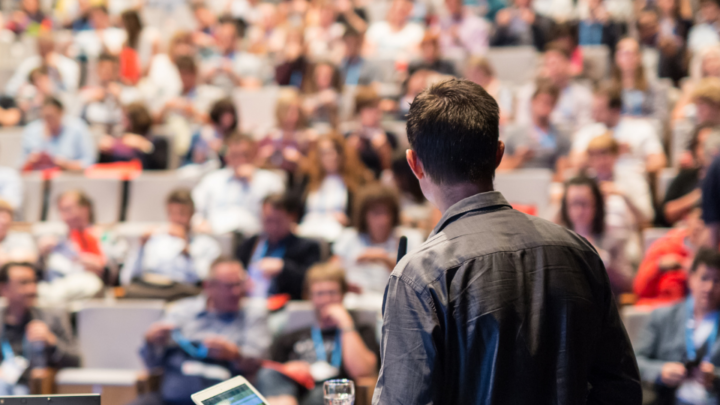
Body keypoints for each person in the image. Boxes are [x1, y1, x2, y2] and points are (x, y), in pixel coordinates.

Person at [372, 79, 640, 404]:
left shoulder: (418, 276)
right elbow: (621, 389)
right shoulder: (579, 252)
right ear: (499, 153)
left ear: (414, 164)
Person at [131, 258, 270, 405]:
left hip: (224, 395)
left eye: (239, 284)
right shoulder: (182, 310)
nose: (236, 292)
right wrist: (151, 342)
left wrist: (235, 354)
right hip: (174, 394)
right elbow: (152, 363)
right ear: (208, 286)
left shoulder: (253, 316)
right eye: (228, 286)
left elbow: (260, 363)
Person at [256, 262, 379, 405]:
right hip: (296, 392)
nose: (326, 300)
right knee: (268, 375)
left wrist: (346, 323)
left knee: (328, 390)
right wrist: (289, 368)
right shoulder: (292, 336)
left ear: (343, 294)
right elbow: (271, 368)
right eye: (320, 293)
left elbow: (363, 372)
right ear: (309, 296)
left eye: (332, 293)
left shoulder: (360, 331)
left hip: (335, 393)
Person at [635, 248, 720, 405]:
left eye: (717, 281)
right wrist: (661, 371)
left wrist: (714, 376)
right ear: (691, 279)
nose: (709, 287)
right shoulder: (662, 317)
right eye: (704, 278)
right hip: (670, 398)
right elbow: (635, 362)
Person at [0, 262, 79, 395]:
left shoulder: (53, 318)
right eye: (24, 283)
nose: (32, 289)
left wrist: (52, 342)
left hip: (35, 389)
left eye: (34, 282)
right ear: (4, 289)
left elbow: (76, 360)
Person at [333, 185, 423, 299]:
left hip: (394, 301)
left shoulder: (409, 238)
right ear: (363, 215)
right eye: (376, 213)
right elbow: (333, 273)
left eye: (387, 213)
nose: (383, 220)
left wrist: (384, 259)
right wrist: (345, 285)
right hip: (355, 301)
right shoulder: (349, 237)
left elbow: (416, 280)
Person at [121, 189, 222, 290]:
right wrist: (141, 248)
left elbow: (204, 280)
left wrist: (186, 248)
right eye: (172, 214)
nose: (177, 219)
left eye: (182, 213)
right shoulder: (154, 242)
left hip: (185, 294)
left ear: (192, 213)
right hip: (152, 290)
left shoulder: (207, 245)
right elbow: (127, 278)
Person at [193, 133, 285, 235]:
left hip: (254, 236)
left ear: (254, 154)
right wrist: (199, 223)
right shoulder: (212, 180)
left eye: (245, 155)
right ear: (227, 156)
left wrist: (252, 182)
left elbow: (276, 216)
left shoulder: (270, 181)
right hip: (216, 236)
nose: (240, 160)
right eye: (235, 155)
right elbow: (195, 208)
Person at [557, 176, 636, 295]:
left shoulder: (614, 238)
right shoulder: (557, 240)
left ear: (596, 205)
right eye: (573, 203)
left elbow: (628, 284)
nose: (579, 211)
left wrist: (606, 263)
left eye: (584, 203)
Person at [236, 194, 322, 301]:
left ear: (292, 217)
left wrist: (283, 268)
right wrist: (239, 280)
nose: (273, 227)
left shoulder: (307, 247)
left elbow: (313, 283)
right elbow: (237, 269)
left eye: (278, 221)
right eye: (268, 220)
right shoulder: (249, 244)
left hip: (286, 307)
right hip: (248, 303)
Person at [570, 84, 666, 174]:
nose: (594, 114)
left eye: (600, 109)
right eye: (594, 109)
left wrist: (633, 157)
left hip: (630, 180)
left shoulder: (641, 129)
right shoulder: (587, 131)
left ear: (616, 110)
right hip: (596, 184)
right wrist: (596, 154)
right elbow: (574, 162)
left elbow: (659, 162)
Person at [296, 134, 370, 242]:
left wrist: (348, 221)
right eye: (324, 153)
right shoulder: (308, 180)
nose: (331, 156)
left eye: (334, 151)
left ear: (341, 154)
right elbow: (297, 211)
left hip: (337, 234)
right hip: (307, 230)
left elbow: (361, 213)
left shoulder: (354, 182)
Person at [635, 208, 708, 306]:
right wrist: (658, 265)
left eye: (706, 219)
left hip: (702, 312)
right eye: (698, 218)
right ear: (687, 218)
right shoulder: (665, 246)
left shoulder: (715, 252)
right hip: (662, 308)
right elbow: (639, 289)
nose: (700, 224)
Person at [515, 43, 593, 133]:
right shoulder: (528, 93)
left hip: (571, 142)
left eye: (557, 63)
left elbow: (585, 129)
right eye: (548, 64)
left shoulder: (582, 95)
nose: (553, 68)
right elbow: (522, 125)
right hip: (534, 141)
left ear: (568, 64)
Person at [499, 79, 571, 178]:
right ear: (532, 101)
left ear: (554, 106)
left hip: (547, 186)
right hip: (518, 184)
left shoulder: (561, 138)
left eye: (549, 102)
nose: (543, 106)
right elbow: (500, 171)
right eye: (541, 101)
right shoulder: (514, 135)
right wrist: (519, 159)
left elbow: (562, 175)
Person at [585, 134, 655, 227]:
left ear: (615, 155)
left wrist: (623, 194)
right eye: (594, 156)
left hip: (627, 234)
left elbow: (647, 218)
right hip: (592, 237)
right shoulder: (585, 182)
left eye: (604, 154)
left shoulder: (634, 178)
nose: (600, 161)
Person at [660, 125, 720, 226]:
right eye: (703, 145)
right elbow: (664, 214)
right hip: (683, 234)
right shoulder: (686, 176)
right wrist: (698, 196)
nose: (709, 150)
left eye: (714, 144)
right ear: (695, 149)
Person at [19, 97, 96, 172]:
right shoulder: (31, 130)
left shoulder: (77, 128)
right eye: (45, 117)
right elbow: (20, 166)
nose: (48, 121)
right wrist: (30, 161)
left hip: (69, 180)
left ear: (61, 113)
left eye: (52, 116)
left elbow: (89, 163)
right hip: (37, 179)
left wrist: (67, 164)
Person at [201, 17, 269, 89]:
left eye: (228, 37)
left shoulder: (249, 61)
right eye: (221, 36)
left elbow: (255, 87)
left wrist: (232, 73)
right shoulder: (210, 61)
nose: (224, 40)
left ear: (235, 38)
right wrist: (209, 76)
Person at [98, 102, 169, 170]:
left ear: (136, 119)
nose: (122, 122)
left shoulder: (158, 142)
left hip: (145, 180)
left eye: (125, 118)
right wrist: (103, 152)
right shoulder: (119, 140)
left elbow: (160, 168)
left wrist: (144, 146)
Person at [610, 38, 668, 122]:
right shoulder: (609, 89)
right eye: (624, 54)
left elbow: (660, 118)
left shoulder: (656, 88)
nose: (628, 58)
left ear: (639, 57)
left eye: (632, 54)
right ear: (617, 57)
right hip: (615, 132)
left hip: (643, 130)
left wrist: (634, 121)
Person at [5, 33, 79, 98]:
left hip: (57, 105)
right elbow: (11, 88)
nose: (43, 51)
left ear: (54, 46)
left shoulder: (69, 65)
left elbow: (71, 91)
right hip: (32, 106)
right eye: (41, 47)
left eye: (47, 47)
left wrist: (55, 71)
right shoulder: (29, 63)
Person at [345, 87, 396, 179]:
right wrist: (352, 150)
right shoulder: (349, 136)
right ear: (359, 112)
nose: (374, 113)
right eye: (368, 109)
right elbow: (346, 171)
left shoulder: (389, 137)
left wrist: (384, 151)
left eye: (376, 108)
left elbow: (392, 173)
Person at [184, 98, 239, 168]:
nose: (228, 118)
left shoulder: (235, 136)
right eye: (225, 114)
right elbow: (197, 159)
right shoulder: (206, 133)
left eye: (231, 114)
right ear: (218, 114)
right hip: (204, 168)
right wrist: (206, 146)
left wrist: (222, 149)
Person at [490, 0, 555, 51]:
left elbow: (547, 44)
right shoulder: (504, 16)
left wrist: (535, 24)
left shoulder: (541, 19)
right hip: (507, 54)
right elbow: (493, 45)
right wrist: (500, 27)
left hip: (533, 54)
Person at [301, 62, 343, 128]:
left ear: (332, 77)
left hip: (330, 131)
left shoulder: (336, 95)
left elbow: (333, 102)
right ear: (315, 77)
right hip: (312, 130)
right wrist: (321, 99)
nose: (324, 77)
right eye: (321, 74)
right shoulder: (309, 95)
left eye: (327, 75)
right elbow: (306, 109)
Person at [0, 201, 37, 266]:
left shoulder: (21, 238)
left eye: (5, 218)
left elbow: (30, 257)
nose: (3, 221)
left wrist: (5, 258)